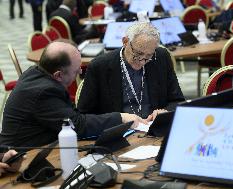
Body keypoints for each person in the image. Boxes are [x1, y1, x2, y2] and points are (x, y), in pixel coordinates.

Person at [0, 41, 146, 148]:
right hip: (21, 157)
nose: (80, 72)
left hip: (43, 145)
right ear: (58, 75)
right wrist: (120, 117)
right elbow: (76, 125)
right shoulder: (44, 92)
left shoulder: (35, 72)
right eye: (76, 71)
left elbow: (72, 116)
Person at [78, 22, 185, 121]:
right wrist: (118, 118)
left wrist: (166, 112)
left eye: (148, 56)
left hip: (154, 128)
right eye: (138, 54)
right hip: (119, 132)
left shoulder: (161, 57)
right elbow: (84, 115)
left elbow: (177, 101)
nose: (142, 61)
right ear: (125, 42)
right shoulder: (100, 66)